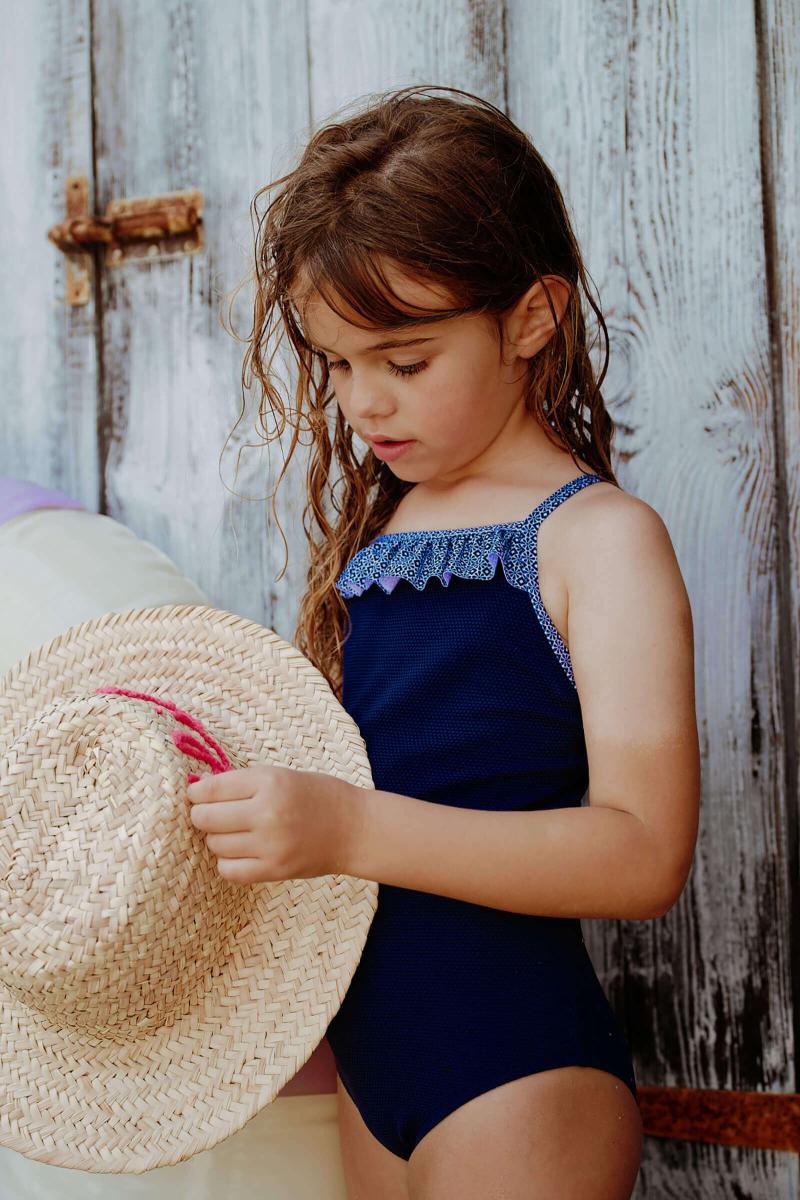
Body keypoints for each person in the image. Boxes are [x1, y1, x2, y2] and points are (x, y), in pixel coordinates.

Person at [220, 83, 701, 1199]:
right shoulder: (384, 533)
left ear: (531, 316)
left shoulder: (596, 541)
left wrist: (345, 826)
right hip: (370, 1071)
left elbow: (641, 854)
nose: (361, 404)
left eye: (405, 359)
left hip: (514, 1074)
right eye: (337, 365)